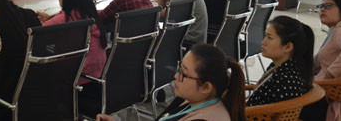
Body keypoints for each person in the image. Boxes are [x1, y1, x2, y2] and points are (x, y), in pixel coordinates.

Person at [97, 44, 246, 121]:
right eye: (179, 69)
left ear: (206, 87)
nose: (176, 76)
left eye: (183, 74)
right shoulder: (191, 100)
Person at [37, 0, 107, 96]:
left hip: (75, 80)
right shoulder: (90, 15)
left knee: (40, 52)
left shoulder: (63, 19)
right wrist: (52, 18)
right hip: (96, 77)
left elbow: (38, 34)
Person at [246, 16, 315, 106]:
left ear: (288, 47)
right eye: (265, 36)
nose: (263, 42)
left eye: (269, 38)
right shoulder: (278, 66)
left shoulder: (286, 83)